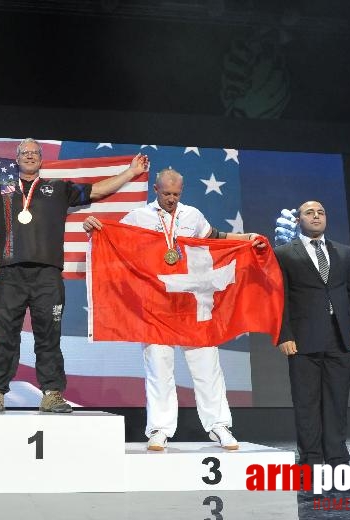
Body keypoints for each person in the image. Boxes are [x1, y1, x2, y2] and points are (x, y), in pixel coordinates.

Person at [0, 139, 148, 413]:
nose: (29, 157)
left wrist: (130, 173)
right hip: (10, 275)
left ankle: (51, 393)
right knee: (4, 336)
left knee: (49, 336)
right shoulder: (0, 190)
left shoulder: (59, 189)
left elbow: (96, 191)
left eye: (34, 153)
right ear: (17, 158)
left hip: (48, 276)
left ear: (41, 158)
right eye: (24, 153)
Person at [83, 168, 263, 451]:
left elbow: (214, 238)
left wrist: (246, 238)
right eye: (166, 194)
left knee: (208, 367)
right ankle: (159, 429)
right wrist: (95, 226)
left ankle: (219, 426)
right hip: (157, 306)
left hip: (193, 305)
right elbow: (115, 235)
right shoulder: (140, 216)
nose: (171, 199)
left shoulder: (192, 215)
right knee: (158, 368)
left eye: (176, 194)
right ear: (156, 189)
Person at [274, 200, 350, 466]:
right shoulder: (284, 253)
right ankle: (311, 459)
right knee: (307, 404)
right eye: (309, 213)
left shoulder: (344, 252)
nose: (316, 216)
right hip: (302, 338)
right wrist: (284, 334)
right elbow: (278, 298)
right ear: (298, 220)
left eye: (321, 213)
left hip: (340, 336)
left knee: (337, 401)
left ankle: (337, 458)